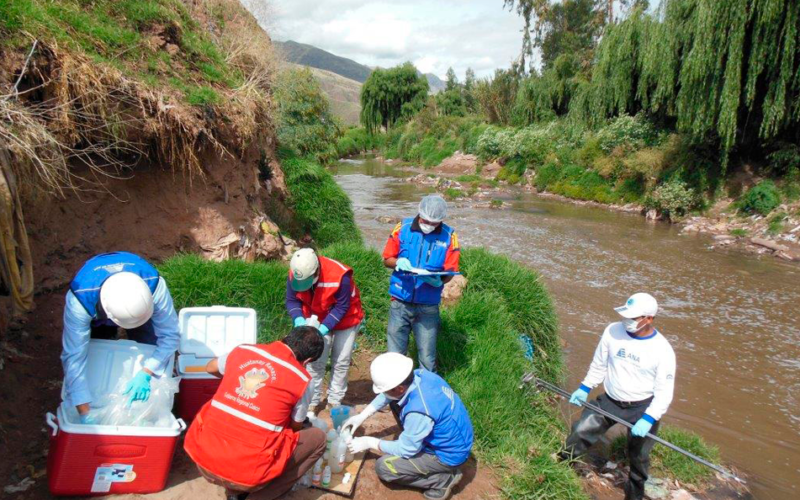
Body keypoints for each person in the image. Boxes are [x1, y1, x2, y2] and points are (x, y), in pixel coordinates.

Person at [184, 326, 326, 500]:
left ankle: (234, 491)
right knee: (318, 439)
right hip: (248, 474)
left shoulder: (244, 350)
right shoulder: (302, 380)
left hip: (203, 459)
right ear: (308, 360)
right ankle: (257, 495)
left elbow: (210, 367)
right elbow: (295, 426)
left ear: (285, 336)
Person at [559, 293, 676, 500]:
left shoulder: (662, 350)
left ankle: (634, 496)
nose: (626, 321)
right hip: (611, 400)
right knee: (580, 431)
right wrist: (585, 388)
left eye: (633, 318)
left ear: (648, 318)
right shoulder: (612, 331)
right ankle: (561, 468)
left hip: (642, 407)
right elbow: (599, 364)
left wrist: (648, 418)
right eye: (626, 316)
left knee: (639, 458)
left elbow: (664, 393)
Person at [60, 251, 180, 424]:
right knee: (96, 346)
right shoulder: (80, 300)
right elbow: (74, 358)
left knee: (149, 341)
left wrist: (147, 372)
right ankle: (105, 336)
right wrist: (85, 413)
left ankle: (147, 406)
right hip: (95, 301)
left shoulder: (153, 284)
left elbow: (170, 335)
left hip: (139, 305)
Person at [341, 353, 473, 500]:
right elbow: (388, 394)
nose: (384, 393)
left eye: (386, 389)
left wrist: (370, 442)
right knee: (394, 401)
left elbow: (407, 449)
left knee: (384, 468)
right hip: (456, 437)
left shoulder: (418, 412)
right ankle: (418, 440)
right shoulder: (420, 375)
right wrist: (362, 415)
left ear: (400, 389)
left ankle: (443, 480)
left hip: (447, 454)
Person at [382, 195, 460, 372]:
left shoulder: (450, 236)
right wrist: (398, 262)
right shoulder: (403, 228)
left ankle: (426, 393)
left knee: (427, 356)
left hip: (428, 306)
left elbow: (450, 271)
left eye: (435, 223)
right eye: (426, 221)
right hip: (400, 302)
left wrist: (438, 280)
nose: (430, 226)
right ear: (419, 213)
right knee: (394, 355)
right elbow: (387, 259)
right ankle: (395, 395)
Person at [285, 248, 364, 413]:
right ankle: (312, 400)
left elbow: (342, 306)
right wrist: (298, 319)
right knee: (315, 361)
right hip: (315, 316)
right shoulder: (296, 273)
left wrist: (323, 329)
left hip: (346, 318)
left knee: (341, 360)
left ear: (316, 272)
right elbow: (292, 301)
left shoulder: (340, 276)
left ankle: (335, 399)